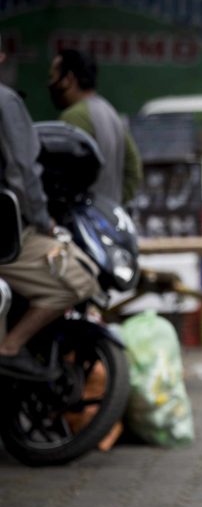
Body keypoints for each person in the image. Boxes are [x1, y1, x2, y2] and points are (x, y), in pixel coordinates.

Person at [0, 39, 102, 379]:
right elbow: (23, 171)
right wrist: (43, 221)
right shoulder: (6, 101)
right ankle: (11, 346)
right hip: (9, 238)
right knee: (77, 278)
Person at [48, 48, 142, 205]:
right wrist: (114, 203)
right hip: (106, 217)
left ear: (68, 79)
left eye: (52, 77)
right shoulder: (110, 112)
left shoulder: (74, 117)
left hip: (82, 218)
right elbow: (134, 169)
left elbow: (63, 179)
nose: (50, 84)